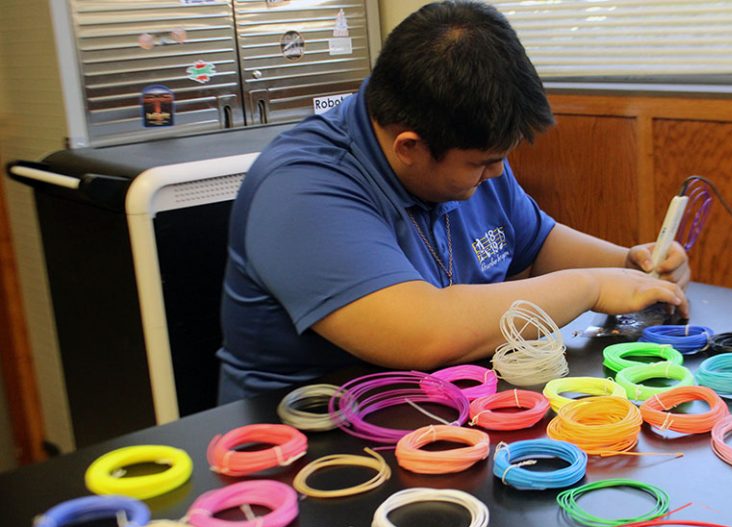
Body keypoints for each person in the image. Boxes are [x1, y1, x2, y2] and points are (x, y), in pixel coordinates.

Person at [217, 0, 689, 404]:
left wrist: (631, 268)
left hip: (446, 407)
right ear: (410, 147)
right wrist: (591, 286)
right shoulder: (302, 190)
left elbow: (536, 242)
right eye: (483, 164)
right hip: (310, 435)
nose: (497, 175)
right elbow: (425, 333)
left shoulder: (462, 149)